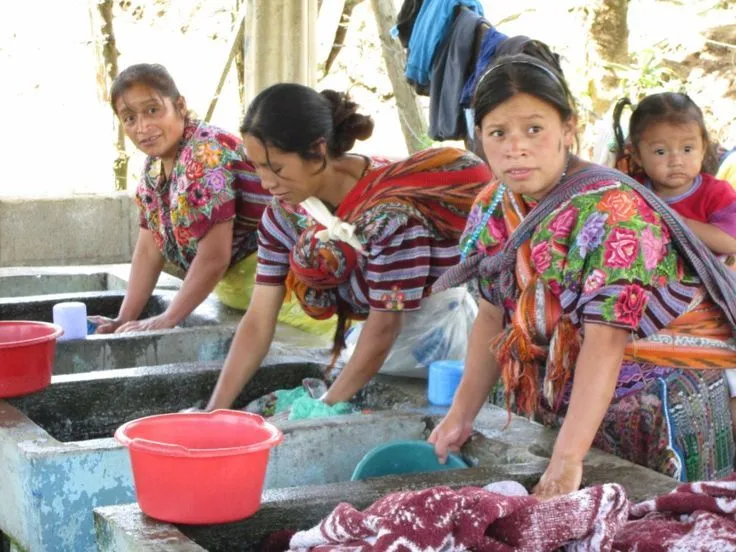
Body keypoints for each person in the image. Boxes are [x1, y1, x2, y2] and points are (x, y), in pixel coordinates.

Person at [428, 53, 736, 499]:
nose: (516, 148)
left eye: (534, 129)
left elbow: (606, 339)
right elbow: (491, 317)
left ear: (568, 130)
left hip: (660, 383)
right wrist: (459, 415)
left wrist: (567, 461)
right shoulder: (494, 204)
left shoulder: (614, 211)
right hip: (576, 376)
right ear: (480, 138)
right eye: (498, 133)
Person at [203, 83, 491, 412]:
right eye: (257, 167)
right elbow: (257, 320)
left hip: (436, 350)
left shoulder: (389, 219)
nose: (267, 183)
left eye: (277, 168)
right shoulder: (282, 218)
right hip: (373, 353)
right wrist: (215, 410)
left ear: (318, 150)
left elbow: (385, 327)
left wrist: (324, 408)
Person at [89, 63, 329, 335]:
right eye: (129, 118)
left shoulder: (204, 154)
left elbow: (215, 257)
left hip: (295, 290)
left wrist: (167, 319)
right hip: (248, 295)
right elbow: (148, 249)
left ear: (179, 106)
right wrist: (123, 319)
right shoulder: (154, 168)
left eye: (152, 110)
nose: (142, 127)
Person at [613, 91, 736, 436]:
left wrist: (666, 218)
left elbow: (729, 241)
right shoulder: (630, 193)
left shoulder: (716, 193)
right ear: (636, 154)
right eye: (660, 151)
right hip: (654, 294)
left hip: (710, 295)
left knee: (731, 372)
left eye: (687, 149)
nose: (676, 161)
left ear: (703, 146)